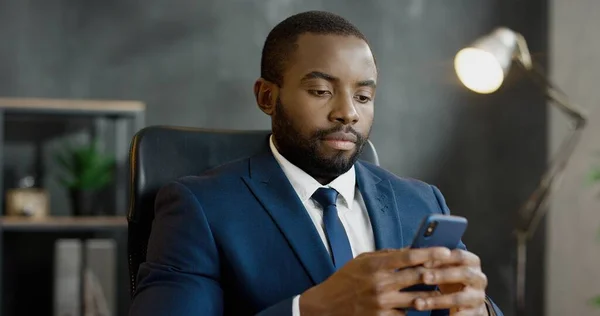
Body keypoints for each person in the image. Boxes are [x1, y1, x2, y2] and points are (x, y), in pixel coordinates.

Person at [129, 10, 503, 316]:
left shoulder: (422, 203)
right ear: (266, 97)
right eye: (321, 91)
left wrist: (480, 310)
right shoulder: (200, 209)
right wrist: (308, 310)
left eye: (363, 95)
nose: (347, 113)